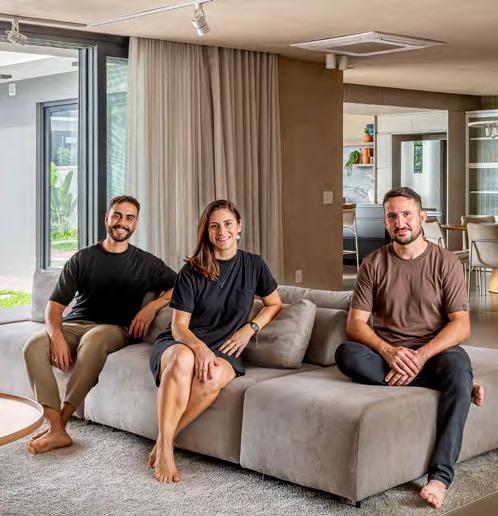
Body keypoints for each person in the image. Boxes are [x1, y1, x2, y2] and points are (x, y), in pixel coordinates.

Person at [335, 187, 484, 509]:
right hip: (388, 354)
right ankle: (455, 385)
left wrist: (421, 355)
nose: (400, 222)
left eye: (406, 214)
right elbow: (355, 324)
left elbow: (461, 325)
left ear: (422, 217)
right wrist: (389, 351)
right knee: (346, 355)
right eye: (392, 216)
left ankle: (440, 477)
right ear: (385, 222)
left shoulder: (445, 262)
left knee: (455, 367)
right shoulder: (373, 264)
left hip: (435, 352)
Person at [23, 195, 177, 454]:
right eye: (117, 215)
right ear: (107, 219)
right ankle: (55, 427)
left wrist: (151, 307)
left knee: (93, 340)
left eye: (129, 218)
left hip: (114, 329)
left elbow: (180, 286)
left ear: (135, 224)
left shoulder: (148, 263)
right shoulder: (83, 258)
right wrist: (56, 335)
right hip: (76, 324)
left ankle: (61, 423)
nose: (122, 222)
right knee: (33, 345)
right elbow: (55, 307)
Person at [148, 199, 282, 483]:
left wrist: (250, 328)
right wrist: (199, 349)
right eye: (214, 226)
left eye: (228, 224)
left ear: (239, 226)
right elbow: (179, 327)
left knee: (213, 377)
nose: (222, 232)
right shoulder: (191, 271)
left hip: (224, 348)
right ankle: (166, 452)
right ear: (206, 231)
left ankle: (164, 441)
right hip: (184, 341)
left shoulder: (254, 265)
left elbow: (274, 304)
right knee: (182, 360)